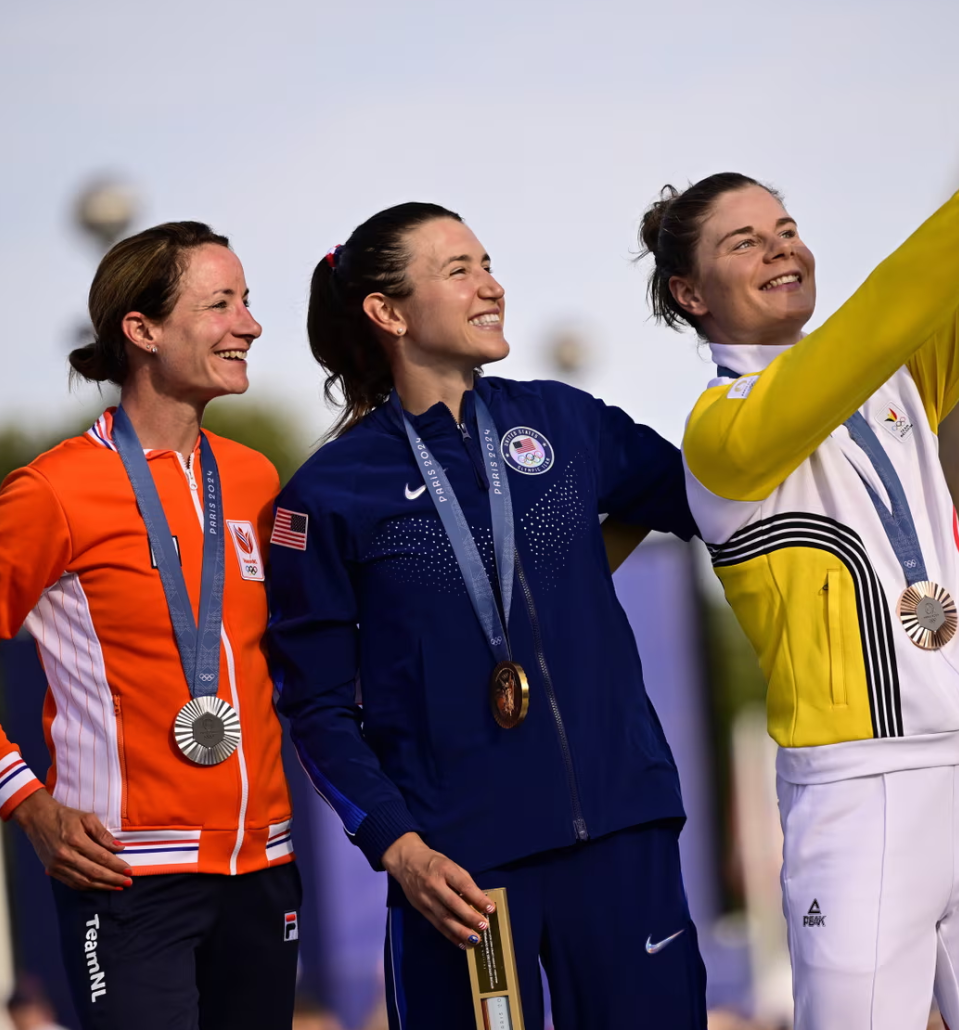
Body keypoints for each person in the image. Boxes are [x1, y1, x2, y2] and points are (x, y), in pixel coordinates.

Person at [641, 36, 959, 1029]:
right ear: (689, 295)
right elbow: (868, 331)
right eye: (743, 242)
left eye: (787, 227)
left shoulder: (894, 384)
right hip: (862, 788)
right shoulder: (720, 437)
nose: (780, 246)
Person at [265, 202, 705, 1029]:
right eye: (458, 269)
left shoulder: (563, 422)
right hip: (462, 873)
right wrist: (399, 848)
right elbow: (315, 708)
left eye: (488, 263)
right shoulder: (326, 496)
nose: (491, 285)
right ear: (388, 313)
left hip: (621, 831)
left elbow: (704, 490)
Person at [0, 221, 301, 1028]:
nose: (250, 325)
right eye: (221, 303)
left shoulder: (258, 480)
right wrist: (29, 807)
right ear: (143, 330)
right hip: (126, 878)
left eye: (248, 302)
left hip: (265, 866)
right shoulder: (52, 492)